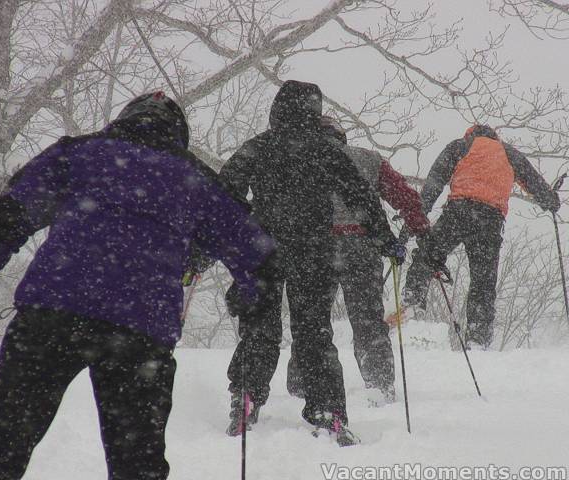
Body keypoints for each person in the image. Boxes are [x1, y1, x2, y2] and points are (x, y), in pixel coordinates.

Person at [0, 92, 276, 480]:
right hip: (140, 333)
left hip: (51, 316)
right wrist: (250, 296)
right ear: (177, 135)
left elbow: (4, 220)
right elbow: (258, 254)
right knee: (137, 466)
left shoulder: (77, 155)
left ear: (123, 120)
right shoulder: (193, 178)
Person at [220, 80, 405, 442]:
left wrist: (234, 232)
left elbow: (225, 191)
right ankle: (328, 409)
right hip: (314, 250)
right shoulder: (326, 150)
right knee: (314, 332)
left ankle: (246, 395)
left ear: (276, 110)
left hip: (264, 248)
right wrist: (385, 238)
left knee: (260, 327)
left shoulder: (258, 147)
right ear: (315, 112)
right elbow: (362, 197)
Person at [287, 116, 429, 406]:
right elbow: (405, 196)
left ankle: (301, 384)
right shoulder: (368, 159)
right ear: (342, 137)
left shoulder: (299, 159)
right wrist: (420, 227)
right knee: (367, 320)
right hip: (362, 246)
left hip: (317, 248)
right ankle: (380, 384)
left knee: (311, 319)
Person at [403, 124, 560, 349]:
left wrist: (415, 218)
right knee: (483, 283)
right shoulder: (508, 153)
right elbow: (533, 183)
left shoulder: (461, 146)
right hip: (490, 220)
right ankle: (478, 339)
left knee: (426, 259)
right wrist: (551, 201)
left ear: (470, 134)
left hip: (458, 212)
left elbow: (434, 185)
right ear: (495, 137)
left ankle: (412, 306)